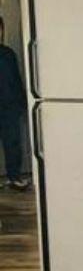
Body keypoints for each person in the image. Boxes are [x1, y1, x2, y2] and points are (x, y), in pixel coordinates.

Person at [0, 16, 28, 190]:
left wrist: (23, 102)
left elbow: (16, 80)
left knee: (12, 142)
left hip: (9, 105)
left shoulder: (8, 53)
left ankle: (14, 176)